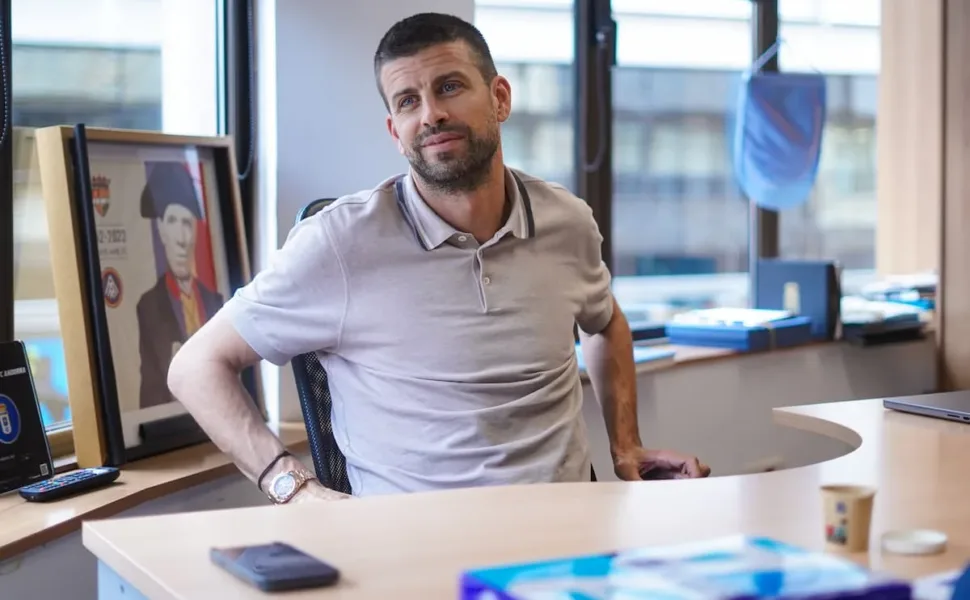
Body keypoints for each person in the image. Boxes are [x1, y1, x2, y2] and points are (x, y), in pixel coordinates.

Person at [167, 12, 709, 504]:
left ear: (500, 98)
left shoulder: (567, 222)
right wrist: (294, 488)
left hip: (568, 539)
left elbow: (604, 320)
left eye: (449, 87)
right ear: (395, 132)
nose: (431, 115)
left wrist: (626, 446)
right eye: (408, 101)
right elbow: (195, 368)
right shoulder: (339, 242)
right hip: (414, 550)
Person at [138, 161, 224, 409]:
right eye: (172, 221)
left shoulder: (217, 302)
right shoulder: (148, 306)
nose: (181, 238)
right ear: (161, 229)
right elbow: (149, 398)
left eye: (187, 223)